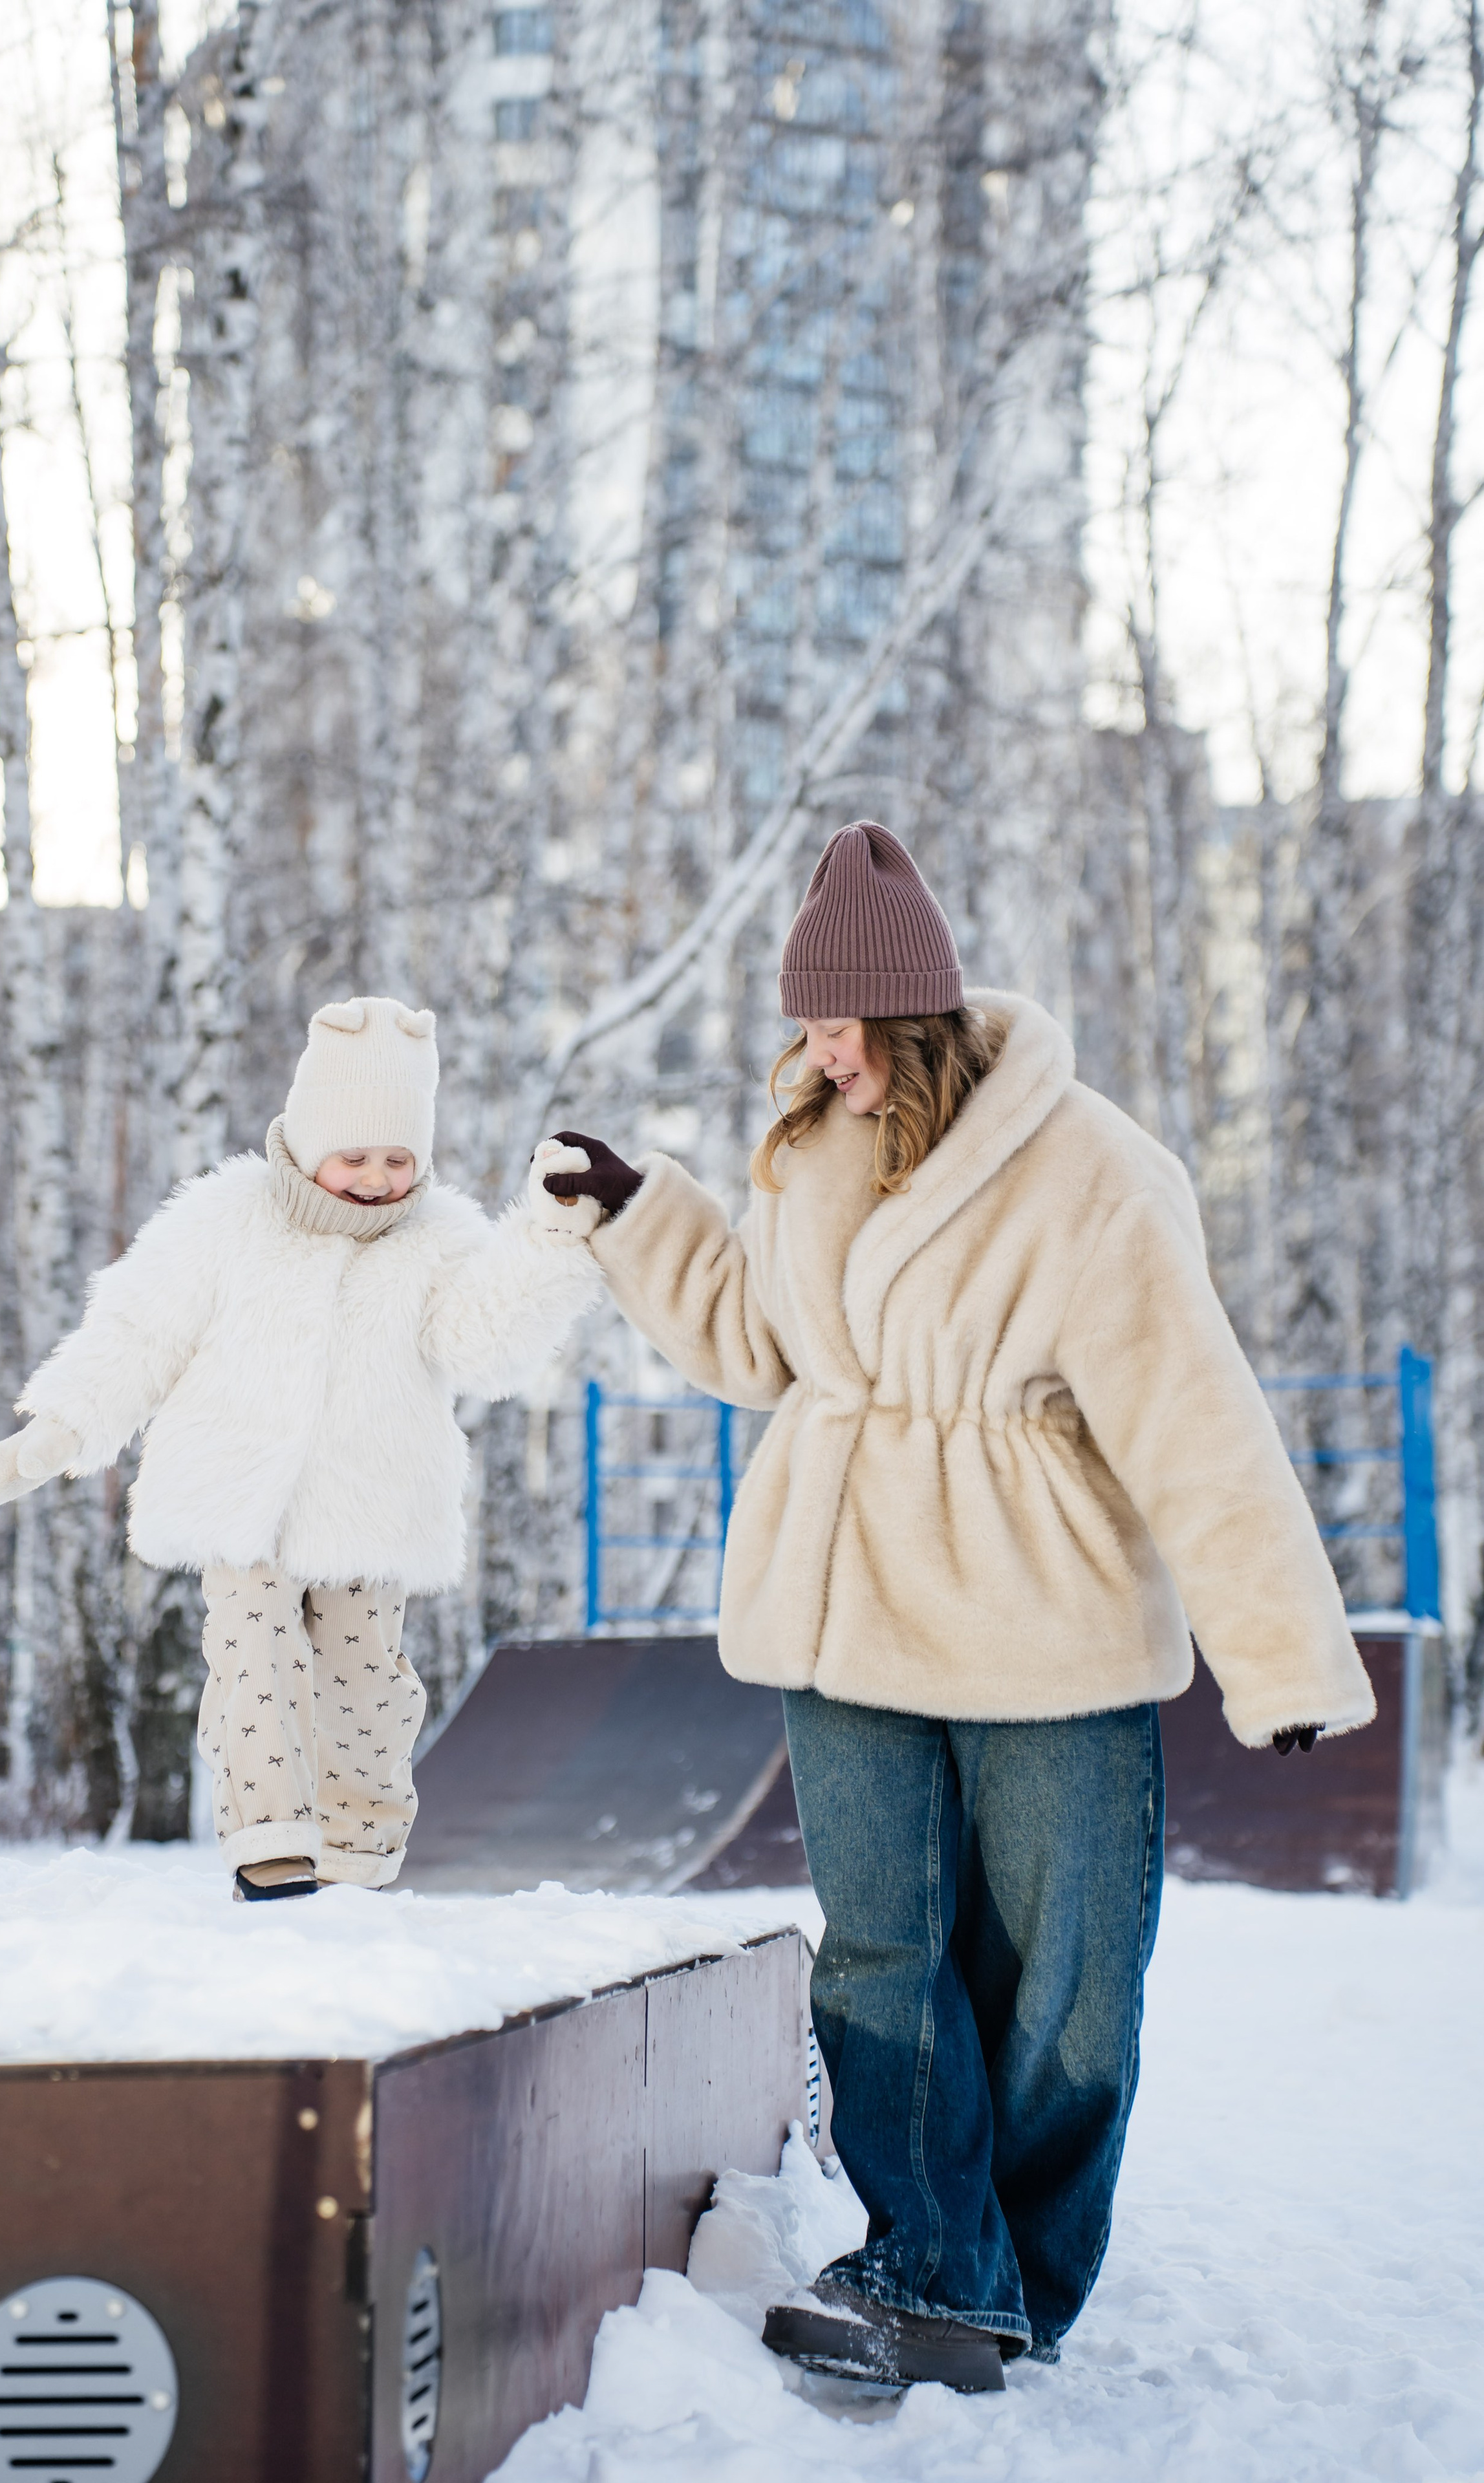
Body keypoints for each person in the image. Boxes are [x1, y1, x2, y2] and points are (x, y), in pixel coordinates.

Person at [545, 821, 1375, 2392]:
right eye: (800, 1025)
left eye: (839, 1026)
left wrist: (1278, 1659)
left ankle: (1016, 2283)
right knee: (879, 1953)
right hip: (841, 1603)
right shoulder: (803, 1146)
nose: (814, 1052)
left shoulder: (1092, 1171)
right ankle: (925, 2263)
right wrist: (640, 1212)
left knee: (1065, 1981)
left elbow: (1196, 1422)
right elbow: (761, 1344)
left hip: (1038, 1620)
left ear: (916, 1016)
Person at [0, 997, 601, 1901]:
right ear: (306, 1139)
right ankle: (269, 1843)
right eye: (356, 1156)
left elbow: (487, 1341)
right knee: (253, 1663)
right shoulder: (225, 1220)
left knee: (367, 1688)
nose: (377, 1179)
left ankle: (359, 1849)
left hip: (369, 1504)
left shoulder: (438, 1240)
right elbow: (139, 1332)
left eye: (398, 1158)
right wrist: (54, 1431)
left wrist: (548, 1237)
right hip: (240, 1498)